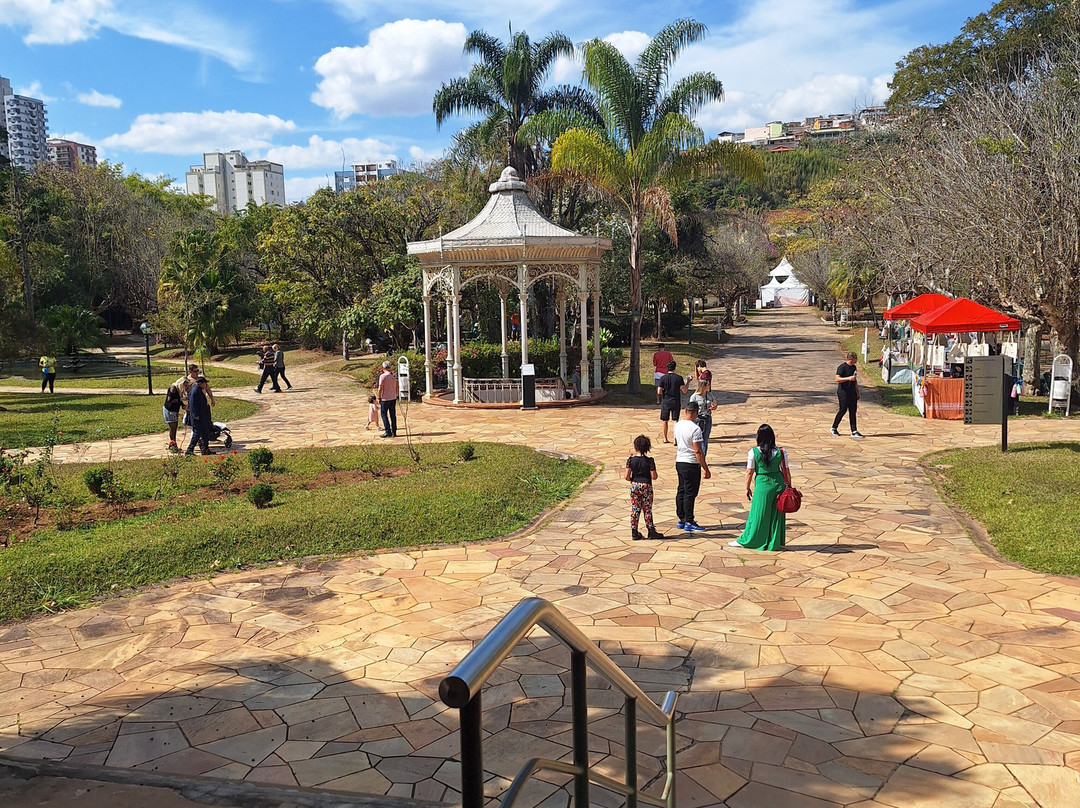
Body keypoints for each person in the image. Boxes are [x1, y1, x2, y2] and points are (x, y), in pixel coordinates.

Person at [731, 424, 791, 551]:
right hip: (778, 485)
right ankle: (773, 541)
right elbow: (786, 470)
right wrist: (789, 486)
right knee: (776, 515)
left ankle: (750, 539)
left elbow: (749, 472)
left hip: (763, 485)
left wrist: (746, 488)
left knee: (758, 514)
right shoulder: (781, 452)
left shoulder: (753, 452)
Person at [673, 401, 711, 532]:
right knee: (690, 492)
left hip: (680, 461)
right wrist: (705, 468)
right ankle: (689, 521)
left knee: (681, 490)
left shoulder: (677, 425)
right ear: (696, 413)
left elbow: (676, 442)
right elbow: (698, 451)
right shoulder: (696, 429)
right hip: (691, 463)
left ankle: (681, 518)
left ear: (685, 411)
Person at [625, 435, 664, 540]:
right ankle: (651, 530)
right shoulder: (649, 461)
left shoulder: (631, 460)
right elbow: (654, 476)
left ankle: (634, 531)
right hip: (646, 486)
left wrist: (633, 480)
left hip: (635, 486)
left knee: (635, 508)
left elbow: (626, 476)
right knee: (647, 509)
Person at [830, 351, 864, 438]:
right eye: (855, 358)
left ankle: (854, 430)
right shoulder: (842, 367)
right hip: (843, 392)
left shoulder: (854, 367)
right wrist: (848, 378)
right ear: (851, 358)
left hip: (852, 392)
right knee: (843, 410)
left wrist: (857, 392)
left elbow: (855, 380)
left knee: (853, 411)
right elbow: (837, 379)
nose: (856, 360)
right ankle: (834, 428)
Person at [656, 360, 687, 444]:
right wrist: (687, 383)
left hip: (666, 401)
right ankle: (675, 439)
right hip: (675, 400)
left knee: (665, 420)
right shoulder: (679, 378)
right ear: (675, 368)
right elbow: (684, 390)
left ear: (667, 368)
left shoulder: (663, 378)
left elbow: (659, 391)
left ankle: (665, 438)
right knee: (675, 420)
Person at [185, 376, 215, 456]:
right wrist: (195, 415)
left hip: (203, 416)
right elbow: (193, 404)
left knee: (205, 432)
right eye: (205, 383)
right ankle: (189, 450)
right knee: (197, 433)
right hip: (198, 417)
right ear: (201, 383)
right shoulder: (195, 391)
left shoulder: (199, 390)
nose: (206, 385)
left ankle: (205, 449)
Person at [689, 378, 717, 455]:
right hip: (698, 419)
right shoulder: (694, 396)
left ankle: (703, 457)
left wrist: (713, 407)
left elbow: (714, 403)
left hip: (707, 418)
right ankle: (697, 455)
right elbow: (690, 409)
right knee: (697, 439)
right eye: (708, 384)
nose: (709, 386)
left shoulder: (709, 395)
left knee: (705, 439)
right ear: (703, 386)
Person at [377, 360, 399, 437]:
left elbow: (380, 388)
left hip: (385, 398)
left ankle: (387, 431)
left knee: (383, 414)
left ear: (383, 368)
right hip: (393, 397)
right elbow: (397, 386)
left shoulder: (383, 376)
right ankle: (394, 431)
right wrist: (396, 394)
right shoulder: (394, 375)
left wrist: (379, 397)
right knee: (393, 414)